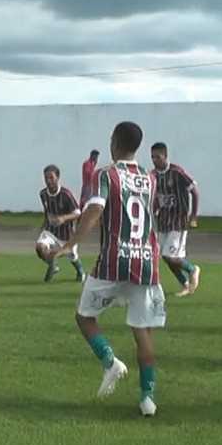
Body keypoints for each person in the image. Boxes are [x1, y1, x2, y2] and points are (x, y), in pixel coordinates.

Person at [55, 121, 164, 417]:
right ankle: (147, 399)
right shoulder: (150, 178)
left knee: (84, 316)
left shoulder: (106, 174)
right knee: (142, 331)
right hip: (145, 261)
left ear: (115, 142)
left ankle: (110, 361)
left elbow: (95, 209)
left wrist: (72, 242)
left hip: (114, 259)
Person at [150, 142, 202, 297]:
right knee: (166, 257)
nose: (154, 160)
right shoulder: (152, 175)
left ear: (165, 156)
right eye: (152, 157)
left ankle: (193, 269)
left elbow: (195, 192)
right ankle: (185, 284)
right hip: (163, 221)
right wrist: (154, 210)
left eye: (157, 157)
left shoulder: (177, 172)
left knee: (171, 256)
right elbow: (155, 198)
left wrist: (194, 215)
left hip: (178, 221)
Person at [34, 164, 85, 282]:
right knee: (40, 247)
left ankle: (80, 272)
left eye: (51, 177)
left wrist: (63, 218)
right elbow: (47, 211)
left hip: (67, 234)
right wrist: (44, 224)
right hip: (50, 231)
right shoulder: (43, 194)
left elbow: (77, 212)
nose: (48, 181)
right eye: (46, 178)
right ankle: (53, 265)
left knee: (72, 256)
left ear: (58, 178)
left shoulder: (66, 194)